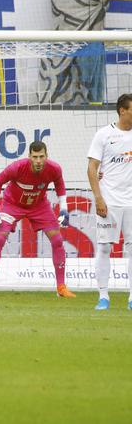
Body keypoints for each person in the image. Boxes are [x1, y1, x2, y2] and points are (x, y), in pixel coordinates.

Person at [0, 141, 75, 298]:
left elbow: (60, 185)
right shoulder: (17, 167)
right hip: (12, 204)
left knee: (57, 240)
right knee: (0, 238)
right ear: (29, 157)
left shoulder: (54, 169)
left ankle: (61, 287)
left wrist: (64, 208)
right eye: (35, 157)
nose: (38, 161)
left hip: (39, 206)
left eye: (41, 157)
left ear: (47, 156)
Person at [87, 93, 132, 310]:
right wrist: (98, 198)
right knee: (104, 248)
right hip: (109, 201)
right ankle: (103, 296)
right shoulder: (104, 135)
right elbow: (92, 169)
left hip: (131, 203)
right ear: (122, 110)